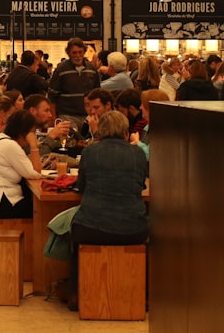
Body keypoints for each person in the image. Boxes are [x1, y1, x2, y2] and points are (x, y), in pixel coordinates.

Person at [67, 111, 149, 311]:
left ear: (101, 131)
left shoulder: (90, 152)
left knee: (73, 232)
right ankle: (144, 293)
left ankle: (76, 292)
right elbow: (140, 184)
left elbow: (82, 186)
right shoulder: (137, 153)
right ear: (125, 131)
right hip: (133, 228)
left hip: (92, 226)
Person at [48, 37, 101, 127]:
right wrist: (53, 118)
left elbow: (97, 93)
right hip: (67, 115)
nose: (77, 56)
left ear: (84, 52)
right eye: (74, 53)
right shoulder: (61, 70)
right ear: (69, 53)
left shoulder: (92, 69)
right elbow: (52, 96)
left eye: (80, 52)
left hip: (88, 115)